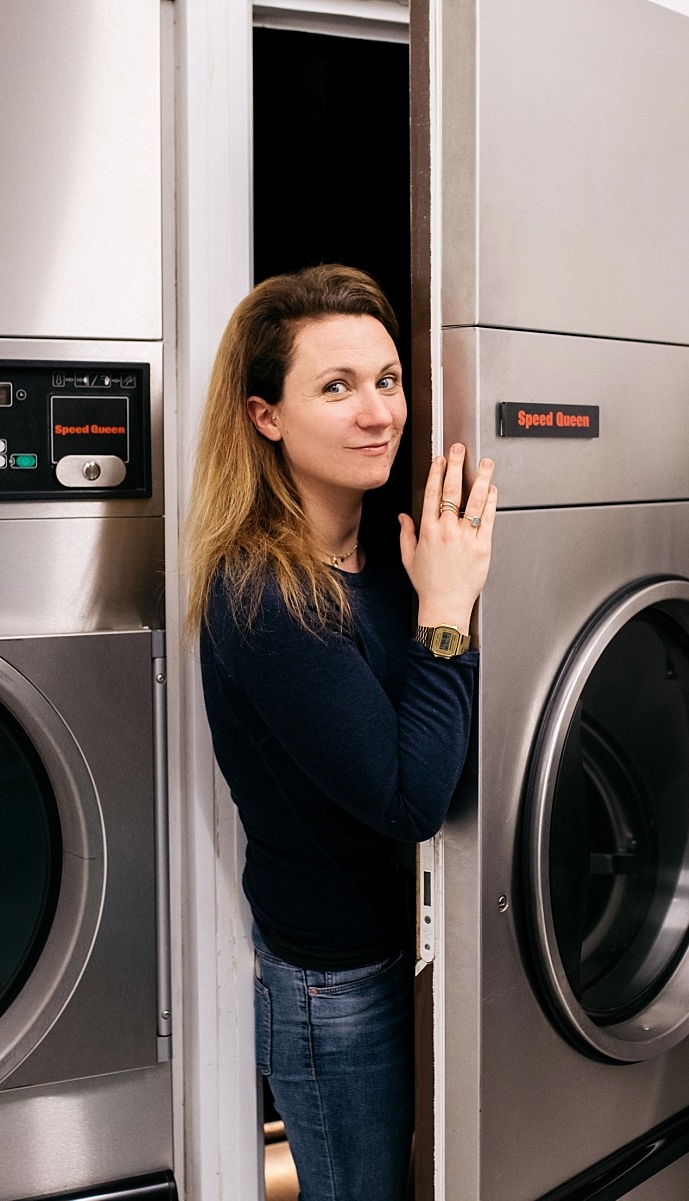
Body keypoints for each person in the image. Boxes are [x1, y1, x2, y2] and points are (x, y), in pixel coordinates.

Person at [186, 264, 495, 1200]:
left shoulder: (386, 555)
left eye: (388, 380)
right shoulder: (262, 594)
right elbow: (409, 798)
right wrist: (449, 612)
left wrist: (435, 594)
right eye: (337, 386)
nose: (379, 414)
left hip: (422, 947)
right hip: (337, 990)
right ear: (265, 416)